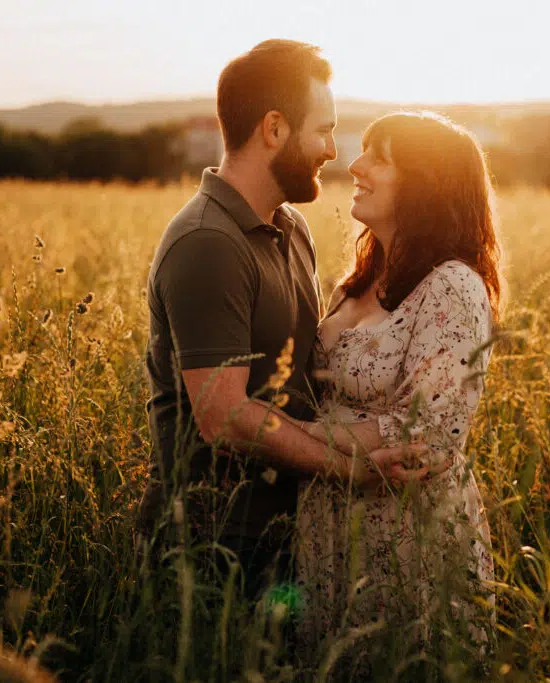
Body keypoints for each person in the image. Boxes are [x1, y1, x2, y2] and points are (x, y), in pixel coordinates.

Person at [137, 40, 424, 601]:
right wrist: (352, 470)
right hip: (211, 544)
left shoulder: (290, 226)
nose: (331, 150)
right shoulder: (207, 242)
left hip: (288, 532)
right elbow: (223, 417)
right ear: (274, 129)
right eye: (323, 130)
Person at [292, 111, 504, 666]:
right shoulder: (355, 281)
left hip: (409, 535)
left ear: (426, 182)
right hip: (329, 524)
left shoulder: (453, 286)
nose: (354, 165)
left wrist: (290, 434)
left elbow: (427, 435)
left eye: (378, 157)